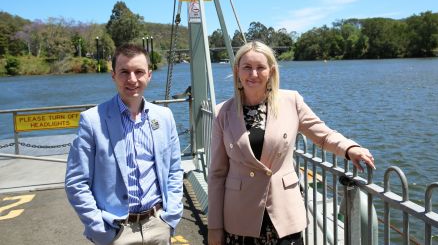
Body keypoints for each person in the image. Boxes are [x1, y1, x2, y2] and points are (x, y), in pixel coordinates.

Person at [207, 41, 375, 245]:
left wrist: (350, 148)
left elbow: (323, 135)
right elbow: (217, 174)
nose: (254, 74)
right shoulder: (222, 113)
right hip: (240, 217)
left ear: (271, 71)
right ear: (237, 71)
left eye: (260, 67)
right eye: (247, 67)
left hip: (283, 214)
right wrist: (214, 227)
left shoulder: (291, 101)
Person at [65, 44, 183, 245]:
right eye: (124, 72)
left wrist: (170, 217)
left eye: (139, 72)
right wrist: (99, 229)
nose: (132, 79)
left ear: (149, 75)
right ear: (113, 76)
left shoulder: (164, 117)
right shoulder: (92, 121)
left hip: (158, 225)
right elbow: (76, 182)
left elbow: (174, 170)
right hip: (116, 231)